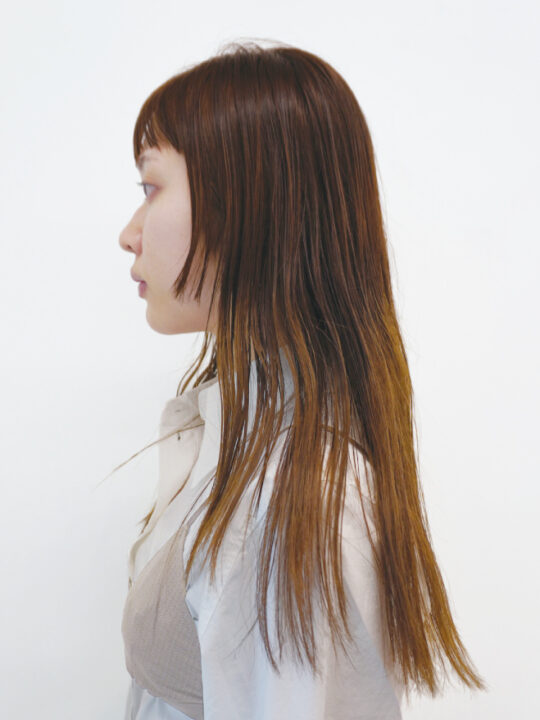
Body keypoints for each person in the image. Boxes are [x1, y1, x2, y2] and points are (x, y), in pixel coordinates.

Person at [117, 40, 486, 720]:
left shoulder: (302, 497)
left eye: (151, 188)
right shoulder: (247, 451)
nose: (129, 234)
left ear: (245, 205)